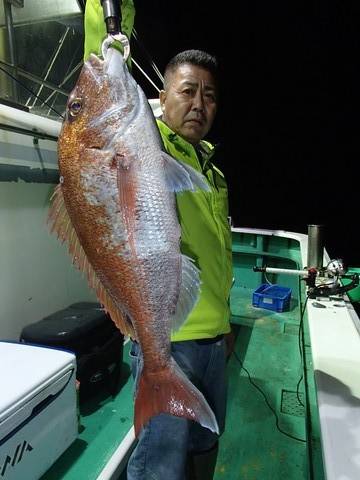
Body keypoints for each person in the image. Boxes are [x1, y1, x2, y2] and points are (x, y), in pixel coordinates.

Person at [127, 49, 233, 480]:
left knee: (205, 441)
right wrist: (110, 18)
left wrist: (224, 326)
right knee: (159, 464)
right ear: (161, 97)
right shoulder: (144, 146)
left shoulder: (214, 169)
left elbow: (218, 252)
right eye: (187, 91)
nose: (199, 104)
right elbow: (102, 67)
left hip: (212, 339)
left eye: (209, 96)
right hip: (168, 341)